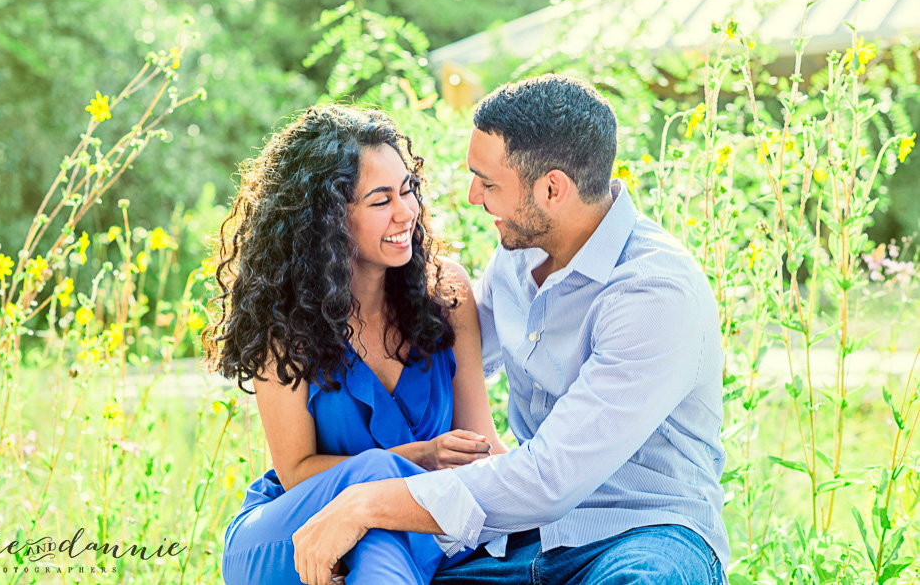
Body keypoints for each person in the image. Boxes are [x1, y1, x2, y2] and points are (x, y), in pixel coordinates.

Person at [291, 74, 730, 585]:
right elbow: (448, 350)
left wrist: (367, 503)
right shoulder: (517, 261)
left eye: (488, 181)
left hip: (645, 534)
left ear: (552, 189)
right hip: (527, 540)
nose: (474, 195)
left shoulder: (653, 293)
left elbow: (550, 478)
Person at [203, 104, 507, 584]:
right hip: (291, 531)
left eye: (408, 190)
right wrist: (422, 457)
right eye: (381, 199)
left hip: (403, 528)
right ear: (328, 220)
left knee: (378, 522)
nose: (407, 211)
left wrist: (564, 488)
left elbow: (481, 444)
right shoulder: (286, 323)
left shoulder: (448, 294)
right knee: (375, 480)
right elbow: (297, 470)